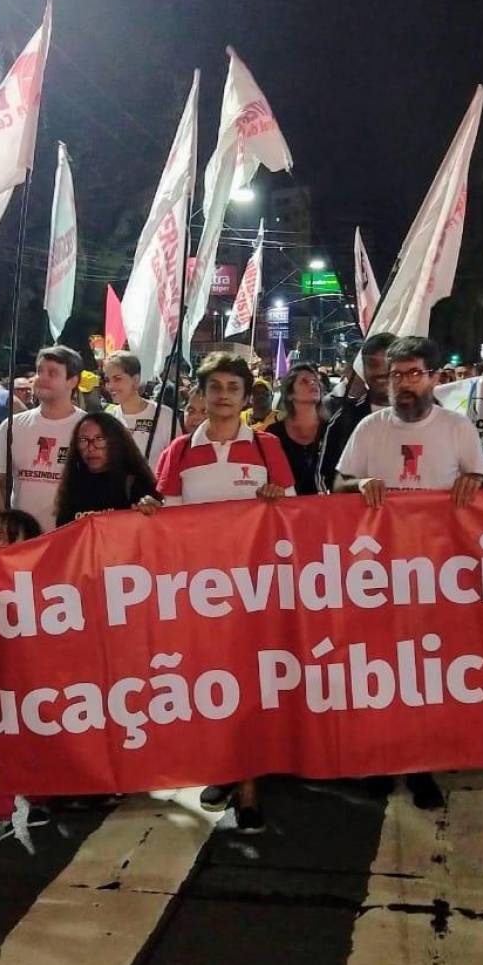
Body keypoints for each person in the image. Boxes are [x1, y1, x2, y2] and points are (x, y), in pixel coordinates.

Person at [333, 336, 483, 809]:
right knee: (381, 669)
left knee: (428, 672)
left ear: (435, 377)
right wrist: (360, 484)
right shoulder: (370, 428)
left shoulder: (457, 428)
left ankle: (422, 765)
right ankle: (381, 758)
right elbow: (339, 484)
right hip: (378, 574)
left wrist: (474, 481)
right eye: (396, 375)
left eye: (414, 374)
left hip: (436, 572)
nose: (403, 383)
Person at [144, 352, 295, 834]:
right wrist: (149, 511)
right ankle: (223, 768)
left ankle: (249, 787)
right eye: (215, 387)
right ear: (201, 394)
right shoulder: (180, 450)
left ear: (246, 397)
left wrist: (275, 501)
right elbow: (168, 523)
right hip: (200, 591)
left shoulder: (268, 447)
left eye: (233, 387)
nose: (223, 395)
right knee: (211, 684)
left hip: (254, 590)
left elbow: (293, 515)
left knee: (250, 685)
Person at [0, 510, 52, 845]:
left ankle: (39, 798)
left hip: (29, 681)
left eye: (9, 538)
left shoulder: (44, 583)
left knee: (34, 740)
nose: (0, 543)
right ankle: (0, 815)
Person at [0, 346, 86, 536]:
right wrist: (4, 531)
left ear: (73, 381)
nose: (42, 378)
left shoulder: (88, 427)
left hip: (71, 539)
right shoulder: (12, 425)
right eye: (39, 371)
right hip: (22, 539)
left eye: (52, 373)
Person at [317, 332, 397, 493]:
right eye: (373, 364)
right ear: (363, 369)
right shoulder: (345, 419)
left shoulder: (429, 414)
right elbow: (326, 479)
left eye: (388, 364)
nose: (381, 371)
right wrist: (358, 485)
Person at [54, 412, 159, 525]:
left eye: (99, 439)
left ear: (116, 442)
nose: (91, 448)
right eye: (83, 440)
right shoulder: (73, 485)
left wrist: (149, 508)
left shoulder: (135, 484)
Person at [102, 350, 179, 465]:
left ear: (135, 380)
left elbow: (178, 461)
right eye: (107, 380)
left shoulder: (164, 416)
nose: (110, 386)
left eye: (117, 379)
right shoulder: (108, 418)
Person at [263, 363, 325, 495]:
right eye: (304, 381)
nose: (313, 384)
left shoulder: (332, 429)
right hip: (286, 506)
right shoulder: (274, 434)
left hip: (327, 506)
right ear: (290, 394)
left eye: (315, 381)